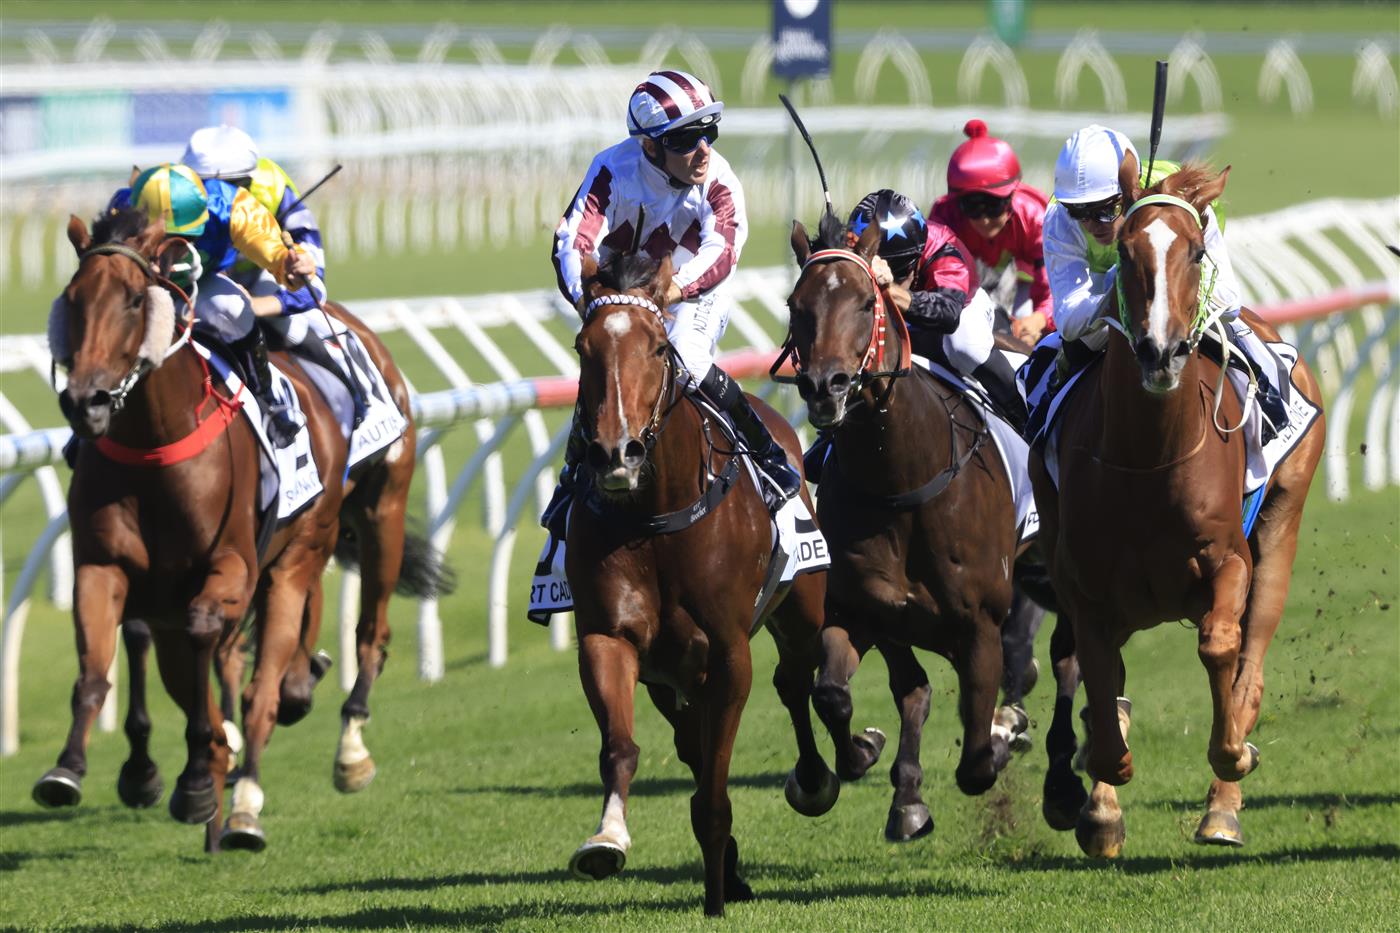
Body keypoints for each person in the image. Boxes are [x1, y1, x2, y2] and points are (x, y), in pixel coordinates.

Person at [544, 68, 802, 527]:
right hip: (621, 298)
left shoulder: (719, 180)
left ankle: (767, 454)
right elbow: (572, 243)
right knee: (607, 356)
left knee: (686, 356)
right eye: (686, 139)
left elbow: (722, 248)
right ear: (649, 145)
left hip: (691, 293)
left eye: (709, 132)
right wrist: (591, 303)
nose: (703, 149)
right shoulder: (611, 170)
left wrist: (672, 291)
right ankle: (571, 481)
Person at [1041, 124, 1284, 428]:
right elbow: (1068, 320)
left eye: (1104, 210)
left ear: (1126, 196)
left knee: (1226, 330)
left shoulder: (1187, 202)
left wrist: (1163, 285)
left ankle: (1273, 405)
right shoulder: (1058, 219)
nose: (1092, 223)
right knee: (1050, 361)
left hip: (1180, 274)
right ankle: (1040, 432)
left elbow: (1229, 302)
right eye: (1079, 212)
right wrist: (1125, 287)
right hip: (1108, 293)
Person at [125, 163, 317, 445]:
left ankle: (268, 400)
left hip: (198, 284)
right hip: (139, 286)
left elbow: (272, 248)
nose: (171, 255)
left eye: (185, 240)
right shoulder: (122, 209)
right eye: (161, 241)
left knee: (233, 307)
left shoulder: (231, 206)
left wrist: (292, 263)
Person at [853, 189, 1029, 433]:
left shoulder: (944, 247)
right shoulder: (853, 246)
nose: (895, 276)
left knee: (965, 347)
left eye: (902, 270)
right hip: (898, 314)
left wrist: (888, 289)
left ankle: (1024, 418)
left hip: (962, 305)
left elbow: (948, 314)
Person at [930, 120, 1054, 345]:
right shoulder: (944, 218)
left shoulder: (1035, 217)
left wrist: (1040, 319)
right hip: (971, 286)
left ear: (1012, 197)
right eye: (972, 208)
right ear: (957, 203)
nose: (985, 220)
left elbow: (1054, 284)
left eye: (994, 206)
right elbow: (937, 284)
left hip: (1026, 285)